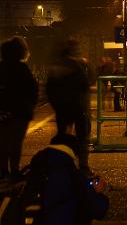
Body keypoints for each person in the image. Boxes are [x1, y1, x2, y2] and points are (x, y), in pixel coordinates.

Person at [34, 133, 109, 225]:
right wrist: (97, 192)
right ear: (73, 153)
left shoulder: (34, 170)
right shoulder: (73, 175)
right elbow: (99, 210)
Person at [46, 39, 92, 175]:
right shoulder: (78, 65)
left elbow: (49, 90)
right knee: (82, 137)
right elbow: (86, 83)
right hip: (79, 107)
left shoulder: (55, 67)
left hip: (62, 108)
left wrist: (56, 105)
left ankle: (63, 163)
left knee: (63, 136)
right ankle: (83, 165)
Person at [0, 36, 38, 179]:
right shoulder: (22, 68)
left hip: (2, 112)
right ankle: (14, 170)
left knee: (2, 142)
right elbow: (32, 89)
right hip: (20, 112)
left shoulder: (1, 68)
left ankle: (3, 170)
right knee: (15, 143)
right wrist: (31, 105)